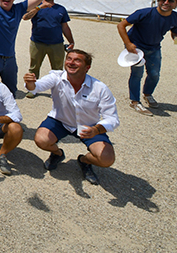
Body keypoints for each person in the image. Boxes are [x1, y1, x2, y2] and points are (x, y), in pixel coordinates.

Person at [25, 50, 118, 185]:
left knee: (106, 159)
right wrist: (30, 83)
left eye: (77, 60)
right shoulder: (56, 77)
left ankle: (84, 161)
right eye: (69, 58)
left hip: (89, 126)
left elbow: (112, 118)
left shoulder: (100, 88)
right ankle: (57, 154)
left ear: (87, 67)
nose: (71, 62)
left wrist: (96, 130)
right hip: (60, 121)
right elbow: (35, 88)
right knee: (41, 140)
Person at [117, 0, 177, 116]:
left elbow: (175, 33)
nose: (166, 3)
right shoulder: (144, 13)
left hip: (154, 48)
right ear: (159, 1)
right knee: (137, 73)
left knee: (154, 74)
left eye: (170, 1)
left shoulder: (176, 17)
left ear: (176, 4)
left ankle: (147, 94)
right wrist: (128, 44)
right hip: (136, 47)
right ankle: (135, 101)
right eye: (163, 0)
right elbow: (121, 25)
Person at [23, 0, 75, 97]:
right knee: (34, 67)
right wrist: (40, 7)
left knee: (57, 69)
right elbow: (25, 17)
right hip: (37, 42)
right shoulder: (36, 6)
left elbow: (65, 26)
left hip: (56, 44)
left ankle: (57, 91)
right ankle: (32, 89)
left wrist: (71, 41)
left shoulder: (61, 9)